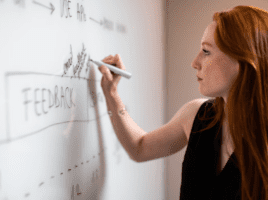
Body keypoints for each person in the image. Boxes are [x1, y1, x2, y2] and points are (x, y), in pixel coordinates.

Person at [98, 5, 268, 200]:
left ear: (242, 61)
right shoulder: (197, 115)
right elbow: (139, 148)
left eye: (206, 51)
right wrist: (112, 95)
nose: (195, 62)